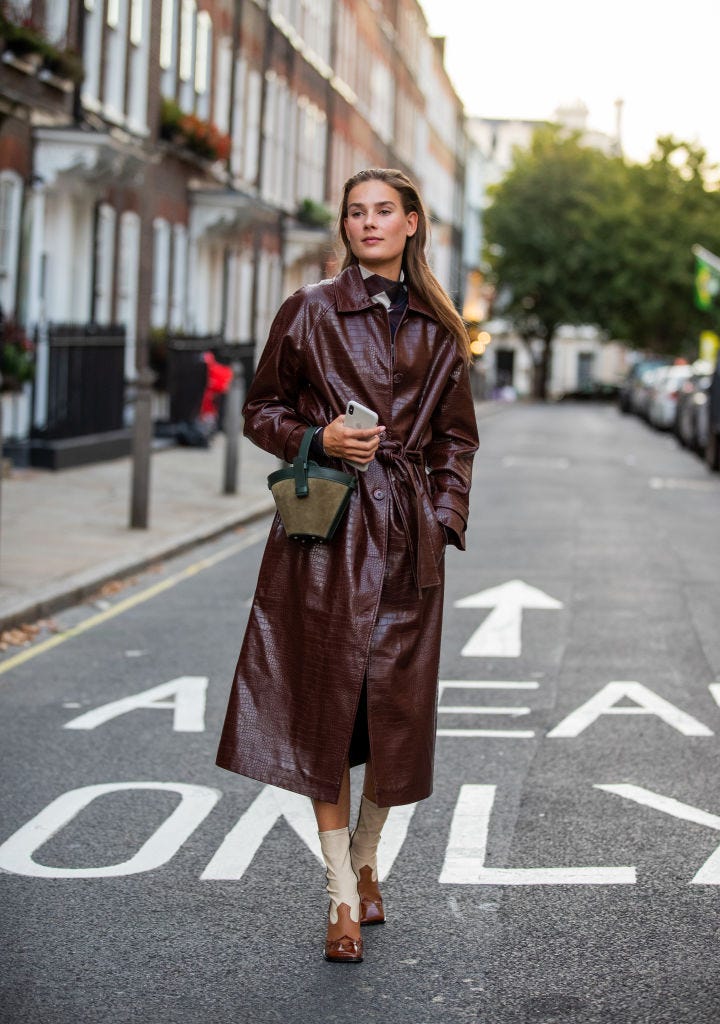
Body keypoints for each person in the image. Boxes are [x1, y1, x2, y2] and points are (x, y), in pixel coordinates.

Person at [216, 168, 479, 963]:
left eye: (382, 211)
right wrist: (318, 440)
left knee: (393, 719)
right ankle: (339, 895)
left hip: (406, 536)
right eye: (355, 212)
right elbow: (260, 407)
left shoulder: (440, 326)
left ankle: (369, 860)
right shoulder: (310, 310)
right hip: (324, 533)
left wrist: (442, 517)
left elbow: (456, 441)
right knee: (325, 713)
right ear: (346, 226)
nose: (367, 223)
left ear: (410, 223)